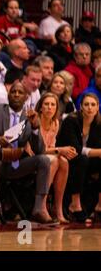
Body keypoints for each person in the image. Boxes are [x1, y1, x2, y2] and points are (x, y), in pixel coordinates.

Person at [0, 81, 53, 227]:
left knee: (44, 160)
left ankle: (38, 209)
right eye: (13, 92)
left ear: (26, 97)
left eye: (20, 92)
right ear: (8, 95)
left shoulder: (29, 116)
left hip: (18, 164)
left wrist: (36, 128)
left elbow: (40, 150)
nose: (16, 95)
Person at [56, 93, 101, 223]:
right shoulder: (71, 120)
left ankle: (99, 205)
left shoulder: (99, 124)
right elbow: (75, 149)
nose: (89, 108)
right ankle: (75, 204)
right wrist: (98, 152)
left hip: (87, 160)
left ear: (98, 107)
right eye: (86, 104)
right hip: (68, 157)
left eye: (93, 105)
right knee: (82, 159)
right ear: (80, 107)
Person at [36, 92, 76, 223]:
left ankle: (57, 209)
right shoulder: (35, 122)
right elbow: (38, 150)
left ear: (56, 108)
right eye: (46, 104)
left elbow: (51, 148)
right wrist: (60, 150)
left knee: (63, 161)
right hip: (33, 158)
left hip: (46, 157)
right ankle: (41, 206)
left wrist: (62, 152)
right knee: (53, 160)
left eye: (52, 105)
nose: (49, 107)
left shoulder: (55, 123)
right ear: (40, 107)